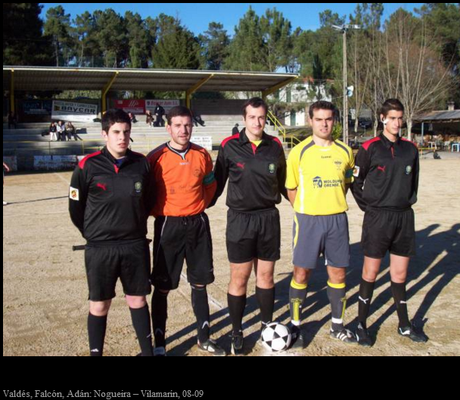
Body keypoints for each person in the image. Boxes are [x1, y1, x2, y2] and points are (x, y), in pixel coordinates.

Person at [69, 109, 154, 356]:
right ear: (104, 134)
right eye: (116, 132)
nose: (122, 137)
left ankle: (147, 353)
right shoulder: (87, 165)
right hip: (100, 249)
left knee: (137, 301)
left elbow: (148, 201)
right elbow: (76, 208)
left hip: (134, 246)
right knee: (99, 304)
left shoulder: (141, 164)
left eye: (126, 132)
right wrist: (94, 235)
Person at [210, 97, 287, 355]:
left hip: (268, 219)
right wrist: (201, 204)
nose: (257, 122)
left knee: (265, 276)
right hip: (240, 220)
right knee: (239, 278)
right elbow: (218, 183)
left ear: (266, 118)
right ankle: (236, 330)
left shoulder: (275, 146)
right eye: (252, 117)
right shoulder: (229, 146)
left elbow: (285, 182)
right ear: (244, 119)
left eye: (262, 117)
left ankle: (266, 326)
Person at [147, 105, 225, 356]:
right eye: (178, 125)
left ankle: (204, 338)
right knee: (162, 286)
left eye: (187, 125)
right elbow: (146, 194)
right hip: (168, 224)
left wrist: (200, 206)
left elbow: (210, 187)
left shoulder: (202, 155)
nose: (183, 130)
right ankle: (159, 344)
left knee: (200, 283)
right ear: (168, 127)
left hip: (197, 224)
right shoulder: (155, 157)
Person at [351, 98, 427, 346]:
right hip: (378, 218)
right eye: (392, 118)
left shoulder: (411, 149)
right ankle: (361, 324)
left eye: (400, 118)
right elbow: (355, 182)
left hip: (403, 217)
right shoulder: (370, 147)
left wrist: (404, 202)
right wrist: (370, 208)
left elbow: (413, 183)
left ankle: (404, 324)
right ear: (382, 118)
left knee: (400, 274)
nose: (397, 122)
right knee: (370, 272)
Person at [285, 100, 356, 349]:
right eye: (319, 119)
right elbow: (291, 188)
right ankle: (295, 324)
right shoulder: (299, 152)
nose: (324, 124)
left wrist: (330, 203)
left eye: (328, 119)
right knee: (301, 272)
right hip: (308, 220)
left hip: (337, 219)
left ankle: (337, 325)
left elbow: (346, 183)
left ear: (334, 120)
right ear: (310, 121)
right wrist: (307, 209)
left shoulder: (346, 152)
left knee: (338, 272)